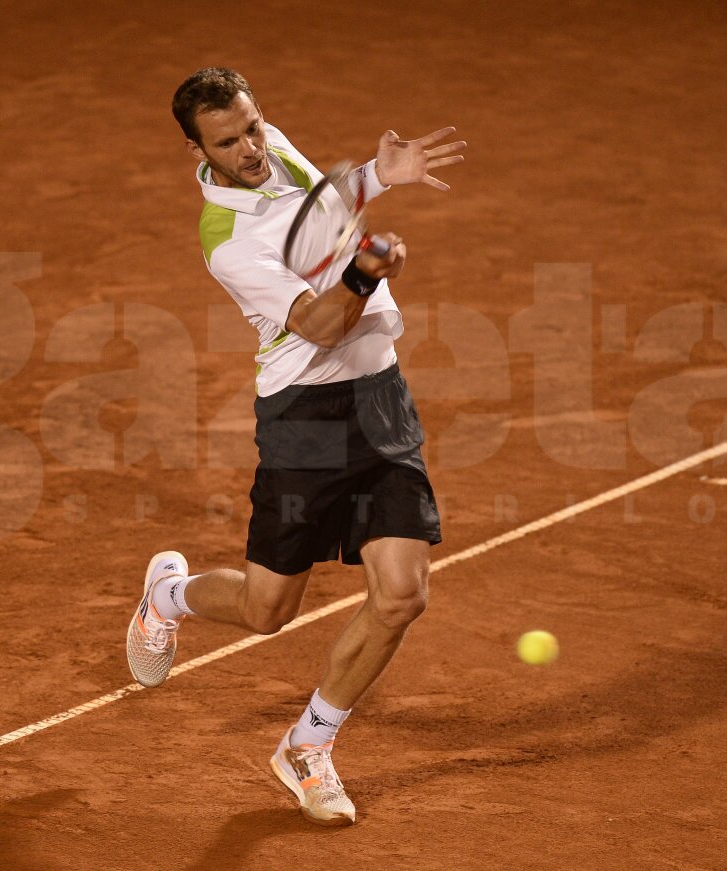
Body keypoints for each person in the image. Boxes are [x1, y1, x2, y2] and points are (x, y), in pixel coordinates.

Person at [127, 68, 465, 827]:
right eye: (229, 141)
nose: (251, 148)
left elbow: (319, 212)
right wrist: (364, 272)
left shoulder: (273, 145)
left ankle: (307, 745)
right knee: (267, 609)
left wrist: (381, 173)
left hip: (380, 397)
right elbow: (315, 324)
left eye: (251, 126)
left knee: (403, 594)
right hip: (303, 416)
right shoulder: (227, 241)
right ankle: (167, 597)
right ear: (196, 150)